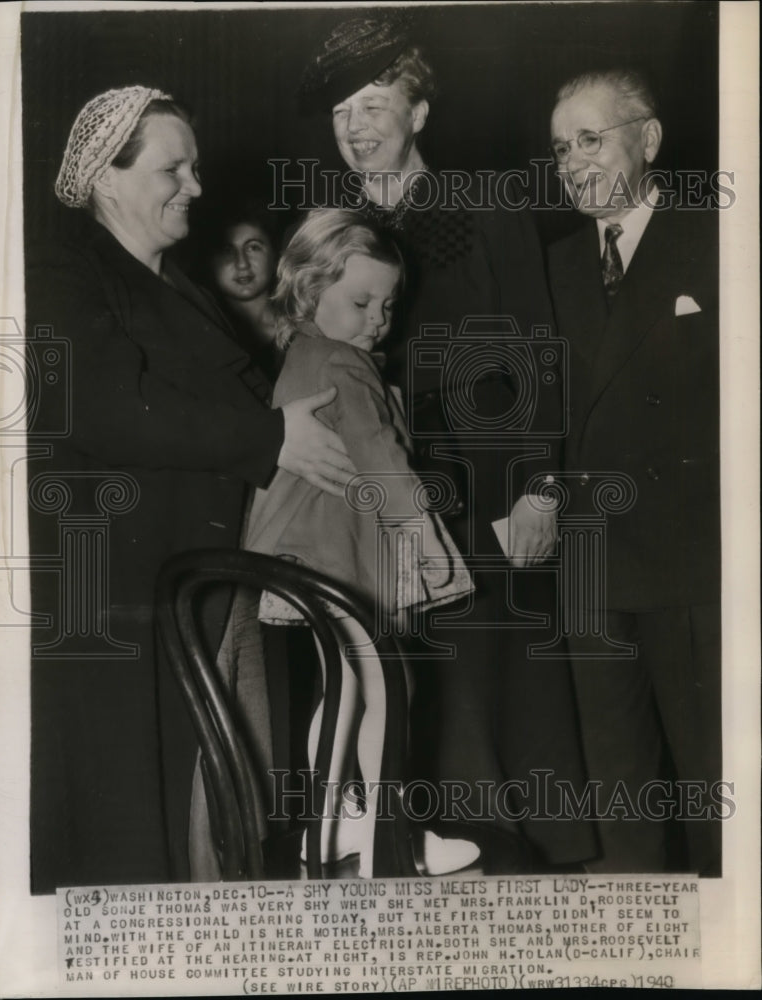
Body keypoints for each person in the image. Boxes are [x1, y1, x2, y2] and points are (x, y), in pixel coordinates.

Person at [26, 86, 355, 891]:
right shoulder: (63, 271)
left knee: (233, 814)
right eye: (174, 167)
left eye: (196, 166)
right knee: (157, 828)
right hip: (128, 603)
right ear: (109, 178)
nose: (197, 186)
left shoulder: (182, 287)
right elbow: (100, 410)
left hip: (214, 584)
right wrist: (274, 437)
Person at [298, 12, 595, 869]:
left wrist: (543, 488)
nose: (356, 127)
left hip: (493, 489)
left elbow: (540, 354)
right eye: (341, 111)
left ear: (419, 113)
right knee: (406, 699)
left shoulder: (488, 207)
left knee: (499, 698)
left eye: (374, 103)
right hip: (384, 496)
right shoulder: (333, 229)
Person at [233, 209, 479, 877]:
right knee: (388, 689)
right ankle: (390, 842)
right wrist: (424, 544)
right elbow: (383, 461)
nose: (379, 318)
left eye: (388, 304)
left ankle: (331, 830)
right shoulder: (346, 364)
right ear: (309, 292)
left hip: (305, 558)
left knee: (343, 690)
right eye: (361, 301)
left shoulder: (305, 354)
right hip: (339, 557)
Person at [547, 69, 721, 874]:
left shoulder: (718, 239)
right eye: (560, 148)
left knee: (710, 775)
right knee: (619, 784)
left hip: (696, 561)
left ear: (647, 140)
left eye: (591, 138)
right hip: (591, 562)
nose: (573, 161)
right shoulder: (550, 269)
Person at [197, 201, 283, 381]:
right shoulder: (208, 334)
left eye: (253, 247)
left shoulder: (302, 323)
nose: (242, 263)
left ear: (275, 255)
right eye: (227, 250)